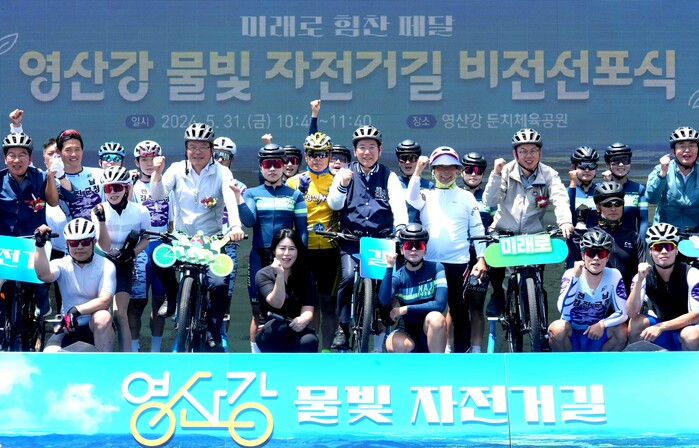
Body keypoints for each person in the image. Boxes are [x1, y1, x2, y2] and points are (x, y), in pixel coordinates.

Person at [149, 122, 245, 351]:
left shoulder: (222, 172)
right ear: (186, 149)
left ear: (211, 149)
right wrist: (157, 173)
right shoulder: (176, 169)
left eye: (203, 147)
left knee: (220, 284)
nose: (197, 152)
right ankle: (173, 297)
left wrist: (235, 226)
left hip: (212, 240)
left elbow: (229, 199)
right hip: (182, 238)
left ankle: (213, 329)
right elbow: (158, 196)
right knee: (158, 259)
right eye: (192, 147)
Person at [327, 125, 409, 350]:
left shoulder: (388, 175)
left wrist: (401, 228)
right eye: (362, 147)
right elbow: (334, 204)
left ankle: (381, 322)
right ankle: (343, 327)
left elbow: (398, 205)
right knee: (346, 278)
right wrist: (343, 184)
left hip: (379, 240)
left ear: (380, 150)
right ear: (355, 151)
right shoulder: (345, 172)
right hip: (351, 240)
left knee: (385, 285)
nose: (367, 152)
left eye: (372, 147)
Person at [482, 128, 574, 317]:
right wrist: (496, 175)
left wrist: (565, 221)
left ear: (540, 152)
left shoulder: (549, 174)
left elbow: (560, 198)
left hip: (534, 237)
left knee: (537, 282)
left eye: (533, 150)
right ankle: (497, 294)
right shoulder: (505, 171)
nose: (528, 156)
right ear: (515, 153)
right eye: (523, 151)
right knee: (496, 268)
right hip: (504, 233)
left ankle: (540, 323)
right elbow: (489, 201)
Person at [406, 147, 487, 353]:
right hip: (429, 264)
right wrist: (417, 171)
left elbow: (477, 229)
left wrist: (481, 258)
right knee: (427, 312)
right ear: (433, 171)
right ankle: (427, 356)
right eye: (440, 167)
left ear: (458, 171)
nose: (446, 172)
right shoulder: (425, 195)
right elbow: (411, 198)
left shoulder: (466, 197)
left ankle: (461, 356)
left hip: (458, 263)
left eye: (451, 168)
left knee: (459, 312)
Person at [234, 143, 308, 352]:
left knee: (289, 308)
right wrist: (239, 198)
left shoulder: (295, 195)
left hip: (287, 258)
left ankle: (286, 356)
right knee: (257, 310)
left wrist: (302, 260)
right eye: (267, 164)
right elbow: (249, 221)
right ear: (261, 167)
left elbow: (303, 232)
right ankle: (255, 357)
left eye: (277, 164)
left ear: (284, 166)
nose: (273, 168)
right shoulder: (251, 193)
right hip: (259, 256)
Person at [286, 132, 340, 352]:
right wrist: (298, 193)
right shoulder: (293, 181)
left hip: (329, 250)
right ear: (305, 155)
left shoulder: (337, 180)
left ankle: (326, 352)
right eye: (311, 154)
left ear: (330, 156)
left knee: (328, 304)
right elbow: (286, 214)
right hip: (303, 251)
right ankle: (308, 350)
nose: (317, 159)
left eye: (322, 154)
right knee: (307, 303)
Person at [0, 131, 60, 317]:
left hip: (33, 240)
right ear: (5, 159)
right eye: (12, 155)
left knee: (36, 279)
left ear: (30, 158)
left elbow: (53, 202)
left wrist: (50, 176)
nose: (17, 160)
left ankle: (42, 303)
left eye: (22, 155)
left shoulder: (40, 177)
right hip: (6, 242)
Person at [92, 166, 151, 352]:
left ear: (126, 188)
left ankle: (127, 358)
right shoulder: (98, 210)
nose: (112, 193)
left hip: (125, 263)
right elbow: (105, 247)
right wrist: (101, 221)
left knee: (120, 315)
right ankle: (102, 354)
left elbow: (146, 239)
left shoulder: (141, 211)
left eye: (117, 187)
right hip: (102, 262)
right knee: (102, 313)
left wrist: (132, 253)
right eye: (108, 188)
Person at [34, 218, 116, 352]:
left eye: (85, 242)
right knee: (49, 355)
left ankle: (103, 362)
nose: (79, 247)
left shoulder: (106, 265)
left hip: (94, 327)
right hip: (68, 328)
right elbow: (43, 275)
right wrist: (39, 245)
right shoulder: (61, 264)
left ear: (93, 242)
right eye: (73, 243)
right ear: (67, 244)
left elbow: (105, 301)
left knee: (103, 317)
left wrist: (75, 311)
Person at [128, 140, 178, 352]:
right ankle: (133, 351)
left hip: (162, 248)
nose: (149, 164)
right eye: (144, 160)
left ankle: (155, 352)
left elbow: (173, 222)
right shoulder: (132, 185)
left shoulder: (169, 186)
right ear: (136, 162)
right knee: (136, 304)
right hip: (141, 249)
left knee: (159, 303)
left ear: (161, 161)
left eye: (153, 159)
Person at [549, 229, 628, 352]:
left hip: (596, 334)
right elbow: (563, 309)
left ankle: (602, 362)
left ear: (607, 257)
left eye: (601, 254)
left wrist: (602, 324)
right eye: (591, 253)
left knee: (621, 331)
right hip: (572, 335)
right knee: (557, 328)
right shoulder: (570, 274)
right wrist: (575, 278)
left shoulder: (614, 274)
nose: (596, 258)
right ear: (583, 255)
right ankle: (567, 363)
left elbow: (623, 313)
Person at [626, 223, 699, 351]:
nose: (664, 251)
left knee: (691, 336)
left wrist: (661, 327)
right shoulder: (642, 276)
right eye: (658, 247)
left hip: (687, 328)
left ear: (676, 251)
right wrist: (639, 281)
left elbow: (696, 315)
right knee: (635, 323)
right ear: (650, 252)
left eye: (669, 246)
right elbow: (631, 313)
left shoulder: (692, 273)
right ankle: (645, 360)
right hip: (661, 327)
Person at [378, 224, 447, 353]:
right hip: (407, 330)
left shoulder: (437, 268)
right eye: (408, 245)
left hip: (430, 330)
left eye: (419, 245)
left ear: (425, 250)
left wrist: (404, 309)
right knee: (395, 344)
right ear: (402, 250)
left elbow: (440, 304)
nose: (413, 249)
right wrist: (389, 267)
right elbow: (384, 299)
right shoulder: (398, 276)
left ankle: (436, 363)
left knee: (436, 318)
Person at [568, 181, 644, 293]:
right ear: (598, 208)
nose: (613, 208)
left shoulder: (633, 237)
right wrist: (580, 222)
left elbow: (640, 271)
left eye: (618, 204)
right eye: (608, 205)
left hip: (626, 298)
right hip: (596, 298)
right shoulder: (588, 235)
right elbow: (576, 258)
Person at [255, 228, 319, 353]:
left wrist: (303, 319)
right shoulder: (263, 275)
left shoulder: (307, 275)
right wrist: (279, 275)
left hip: (295, 327)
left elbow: (308, 309)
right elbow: (277, 303)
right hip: (270, 329)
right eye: (282, 248)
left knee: (309, 340)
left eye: (292, 249)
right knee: (280, 328)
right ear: (274, 250)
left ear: (298, 251)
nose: (286, 253)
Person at [646, 127, 699, 231]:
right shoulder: (661, 169)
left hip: (695, 234)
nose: (687, 150)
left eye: (692, 146)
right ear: (673, 152)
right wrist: (662, 174)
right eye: (682, 146)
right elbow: (651, 199)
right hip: (665, 233)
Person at [596, 142, 648, 236]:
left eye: (625, 160)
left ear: (630, 163)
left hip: (630, 242)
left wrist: (641, 244)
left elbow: (643, 221)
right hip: (604, 242)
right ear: (607, 165)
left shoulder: (638, 189)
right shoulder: (598, 189)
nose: (620, 164)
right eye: (615, 161)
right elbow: (595, 218)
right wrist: (607, 184)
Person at [55, 129, 102, 220]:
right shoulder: (53, 180)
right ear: (58, 151)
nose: (73, 154)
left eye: (77, 149)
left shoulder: (100, 174)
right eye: (68, 150)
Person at [395, 139, 434, 224]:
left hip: (421, 231)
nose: (407, 162)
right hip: (396, 231)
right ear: (398, 161)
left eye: (412, 158)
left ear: (419, 160)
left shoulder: (429, 186)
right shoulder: (392, 183)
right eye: (403, 158)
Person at [567, 146, 599, 226]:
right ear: (573, 167)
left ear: (596, 169)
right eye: (582, 166)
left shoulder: (601, 190)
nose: (587, 170)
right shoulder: (565, 192)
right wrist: (572, 183)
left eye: (591, 166)